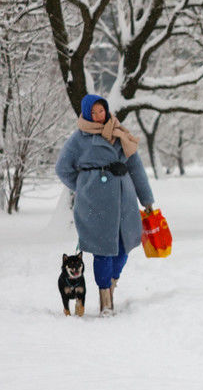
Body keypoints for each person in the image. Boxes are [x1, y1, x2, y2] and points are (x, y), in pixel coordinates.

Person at [55, 94, 156, 315]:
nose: (99, 116)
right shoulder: (79, 139)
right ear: (86, 114)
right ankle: (105, 302)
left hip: (124, 200)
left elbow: (137, 169)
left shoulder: (121, 133)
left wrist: (146, 199)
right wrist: (85, 185)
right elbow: (62, 169)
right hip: (95, 204)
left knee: (123, 248)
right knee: (103, 251)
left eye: (102, 111)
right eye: (94, 112)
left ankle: (111, 285)